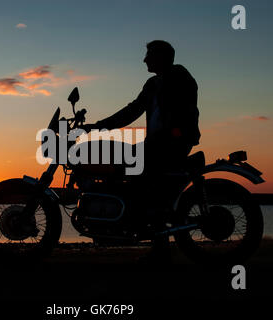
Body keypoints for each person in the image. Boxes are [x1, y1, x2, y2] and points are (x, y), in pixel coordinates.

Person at [84, 40, 201, 262]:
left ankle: (150, 238)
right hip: (157, 142)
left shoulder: (181, 79)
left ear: (162, 57)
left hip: (173, 142)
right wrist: (97, 126)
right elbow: (132, 110)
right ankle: (128, 224)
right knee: (123, 168)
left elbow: (186, 112)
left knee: (139, 178)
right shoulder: (153, 83)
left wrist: (173, 133)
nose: (145, 59)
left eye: (149, 55)